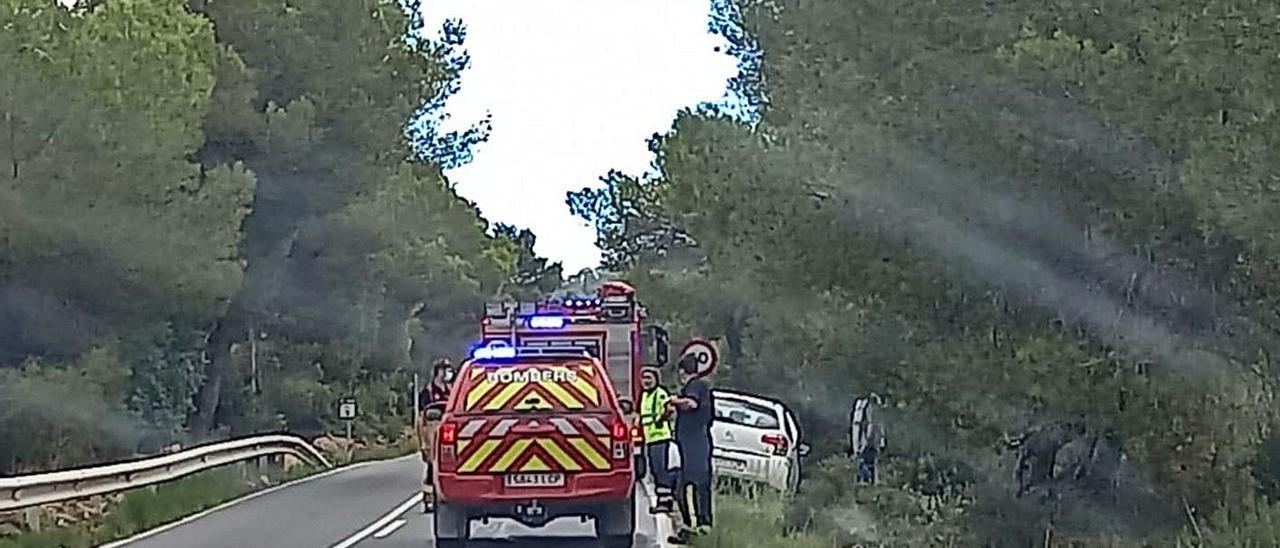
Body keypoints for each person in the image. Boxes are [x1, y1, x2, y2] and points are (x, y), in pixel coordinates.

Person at [667, 355, 714, 545]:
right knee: (690, 486)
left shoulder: (694, 386)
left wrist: (674, 401)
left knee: (688, 486)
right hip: (695, 442)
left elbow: (691, 404)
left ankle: (695, 527)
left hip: (694, 444)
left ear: (682, 372)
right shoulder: (701, 386)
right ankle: (692, 528)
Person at [419, 358, 455, 512]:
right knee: (431, 468)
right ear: (437, 372)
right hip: (432, 432)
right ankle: (428, 499)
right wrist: (423, 443)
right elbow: (421, 418)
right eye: (445, 369)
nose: (448, 372)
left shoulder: (452, 390)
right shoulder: (428, 392)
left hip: (450, 432)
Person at [640, 367, 676, 513]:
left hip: (660, 437)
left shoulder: (660, 394)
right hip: (650, 438)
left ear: (656, 379)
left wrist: (661, 419)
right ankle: (662, 500)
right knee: (655, 471)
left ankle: (666, 502)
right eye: (644, 378)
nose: (646, 381)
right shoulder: (645, 395)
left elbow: (669, 409)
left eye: (649, 378)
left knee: (661, 470)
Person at [850, 393, 886, 484]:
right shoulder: (862, 409)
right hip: (864, 442)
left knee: (868, 462)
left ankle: (867, 481)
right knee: (863, 462)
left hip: (870, 443)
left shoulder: (873, 416)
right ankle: (863, 480)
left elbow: (876, 427)